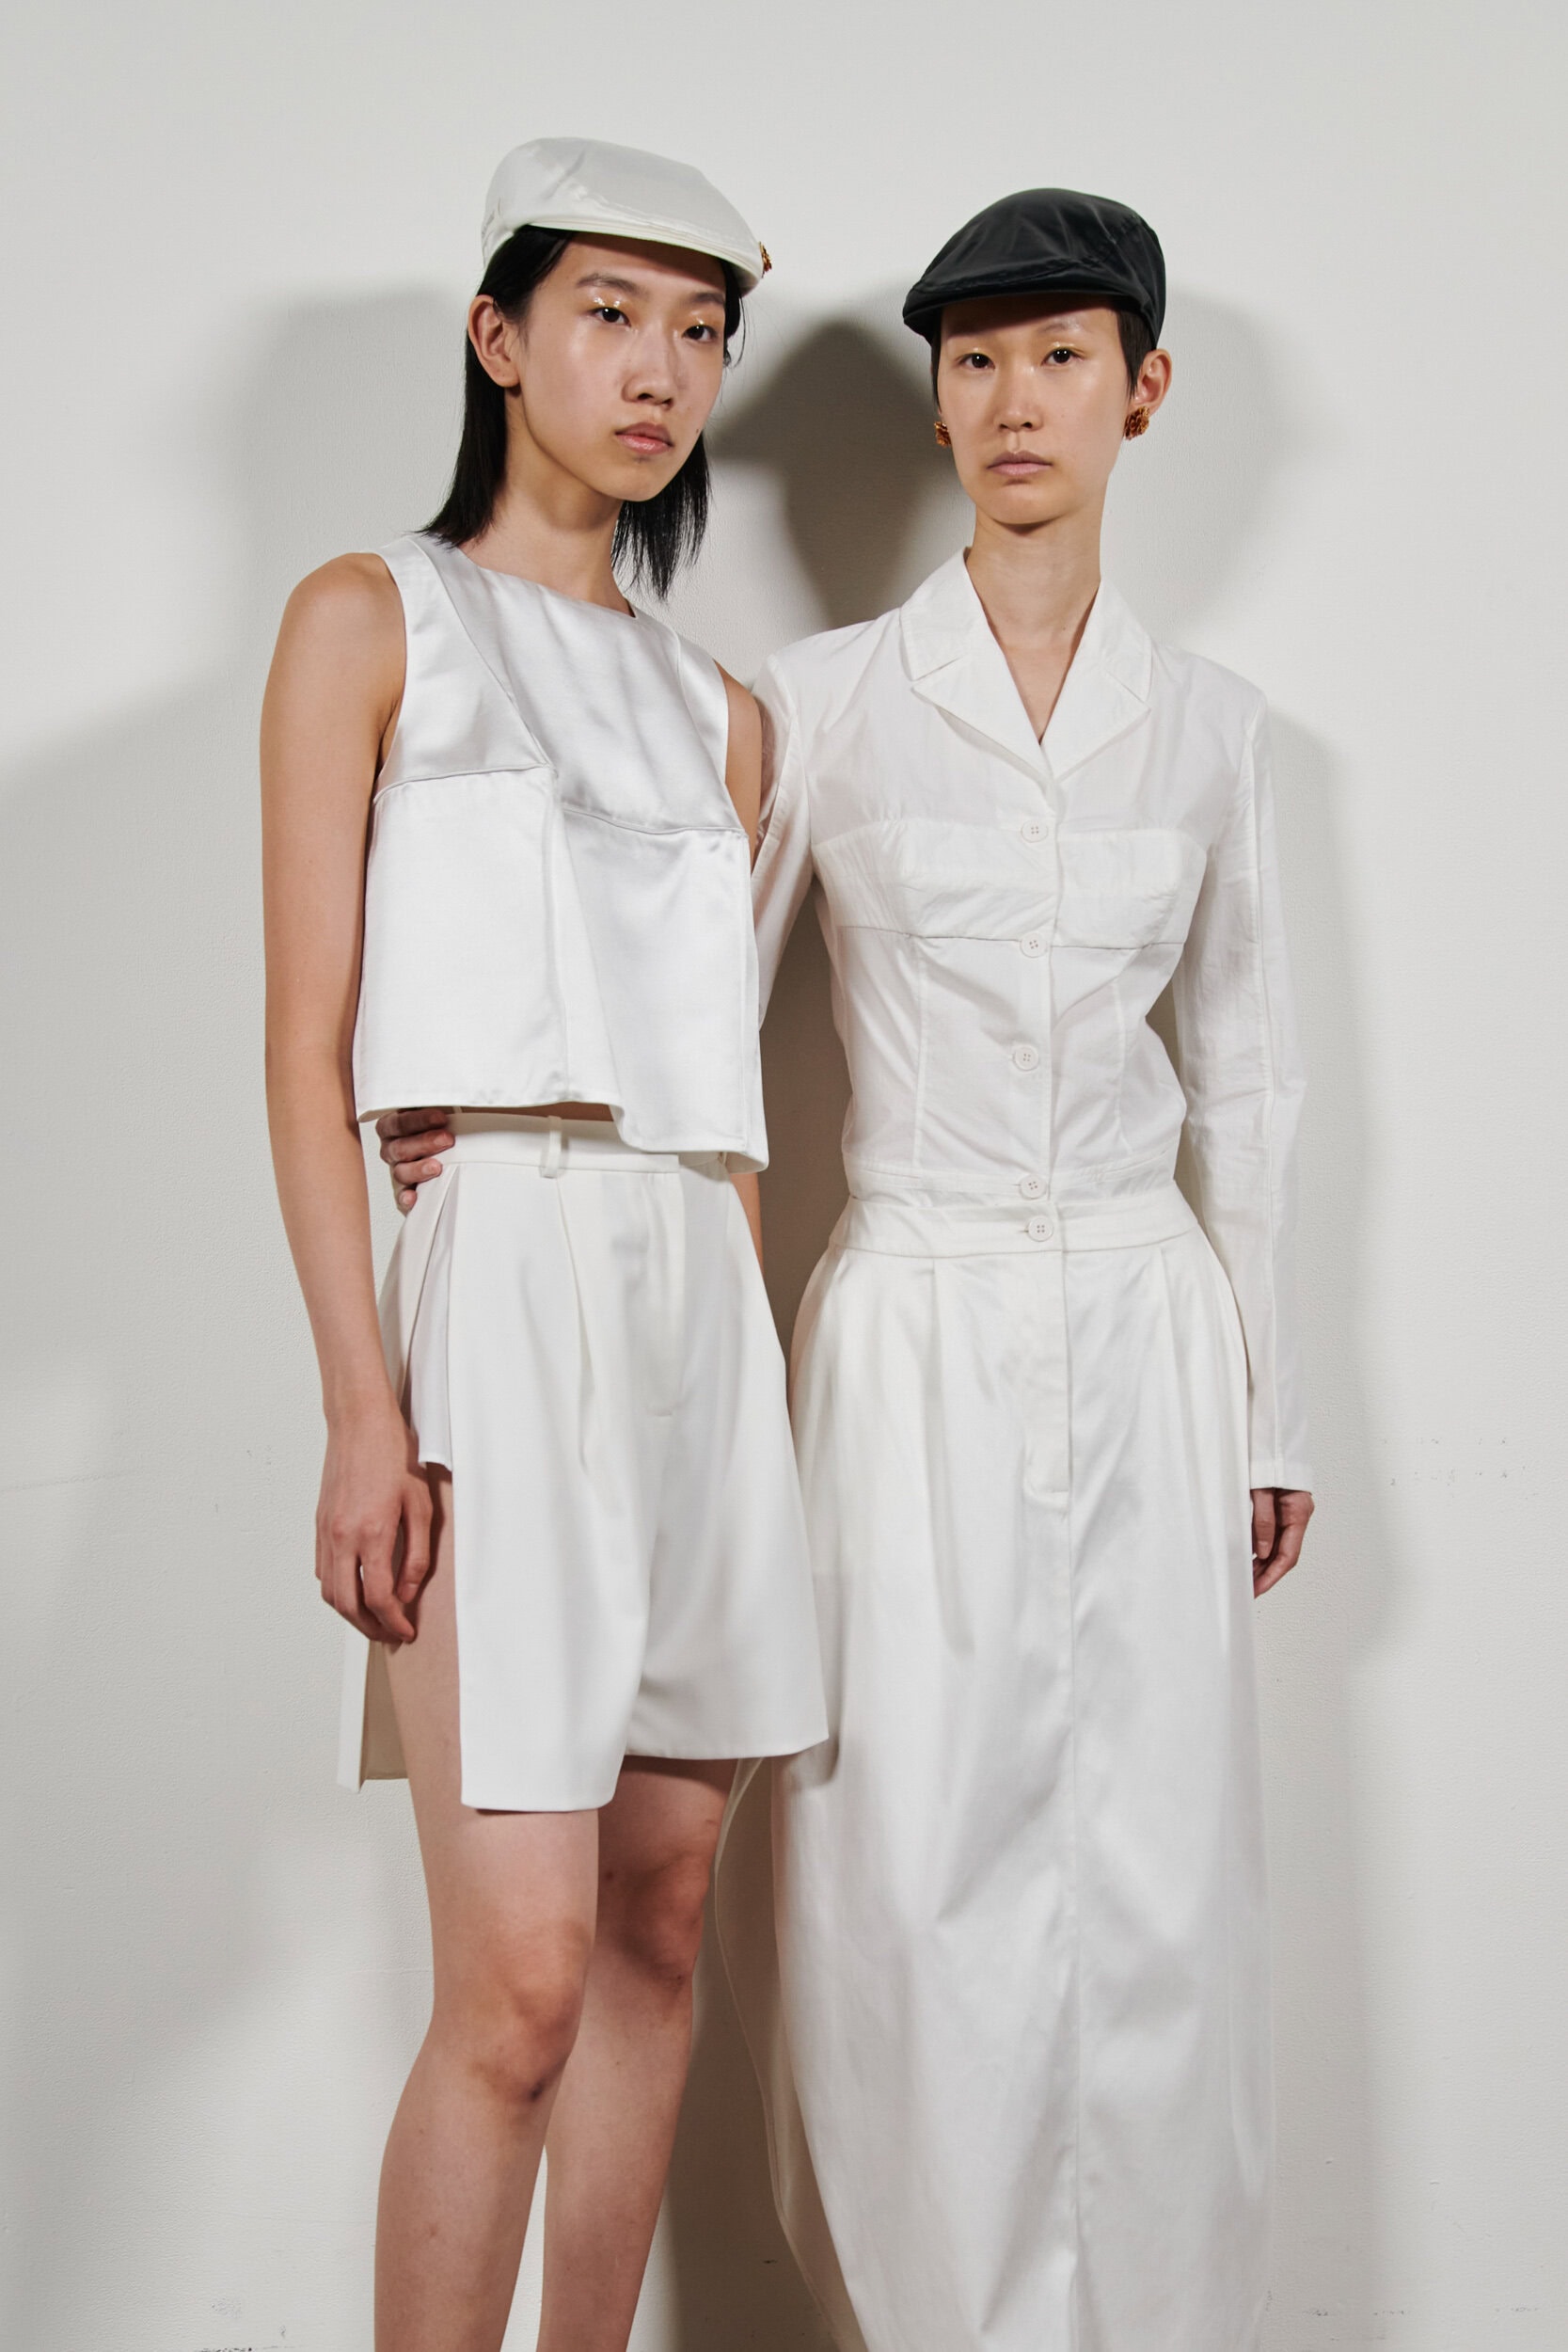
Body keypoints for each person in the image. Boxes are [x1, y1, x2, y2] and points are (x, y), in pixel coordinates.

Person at [383, 184, 1316, 2351]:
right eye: (976, 362)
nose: (1016, 400)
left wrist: (1273, 1403)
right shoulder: (818, 704)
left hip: (1151, 1327)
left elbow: (1252, 1081)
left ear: (1143, 391)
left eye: (1062, 357)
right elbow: (671, 966)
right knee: (908, 1880)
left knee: (1166, 1873)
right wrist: (475, 1093)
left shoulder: (1217, 726)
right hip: (903, 1331)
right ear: (935, 399)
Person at [261, 136, 823, 2352]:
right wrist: (360, 1404)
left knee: (660, 1919)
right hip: (489, 1272)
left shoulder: (725, 716)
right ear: (499, 336)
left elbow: (723, 1093)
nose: (658, 368)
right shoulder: (368, 617)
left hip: (699, 1287)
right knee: (514, 1971)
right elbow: (306, 1049)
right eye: (608, 313)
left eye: (700, 330)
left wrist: (754, 1399)